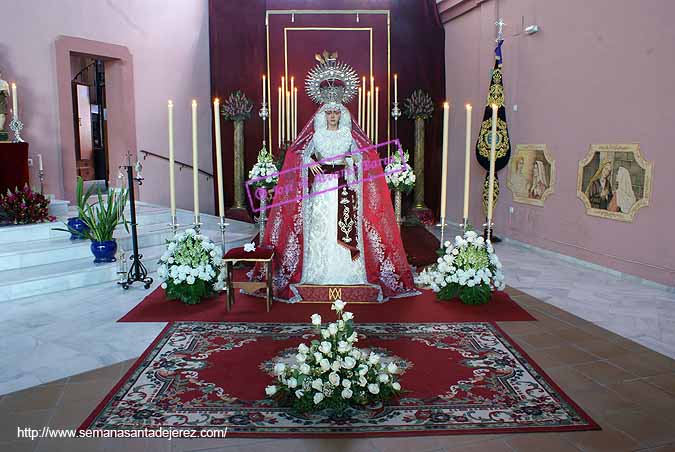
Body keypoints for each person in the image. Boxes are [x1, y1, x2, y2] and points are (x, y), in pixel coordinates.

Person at [249, 54, 416, 302]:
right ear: (323, 115)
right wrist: (311, 163)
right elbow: (298, 155)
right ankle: (318, 270)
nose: (333, 117)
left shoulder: (348, 134)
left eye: (336, 113)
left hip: (345, 185)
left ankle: (349, 270)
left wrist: (351, 161)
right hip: (322, 186)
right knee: (321, 225)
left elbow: (363, 156)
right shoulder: (316, 136)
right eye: (329, 114)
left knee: (345, 222)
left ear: (342, 114)